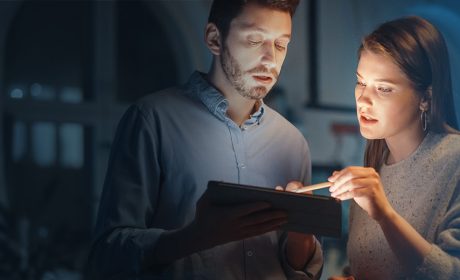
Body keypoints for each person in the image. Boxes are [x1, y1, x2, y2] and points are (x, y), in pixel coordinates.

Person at [87, 0, 323, 279]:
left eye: (280, 45)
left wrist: (302, 238)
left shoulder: (292, 143)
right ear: (214, 38)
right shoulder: (151, 121)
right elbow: (107, 255)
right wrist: (196, 237)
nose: (270, 59)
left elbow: (298, 268)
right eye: (255, 40)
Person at [324, 16, 460, 279]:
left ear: (425, 98)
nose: (363, 100)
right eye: (361, 82)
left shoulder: (454, 161)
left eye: (384, 89)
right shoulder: (372, 170)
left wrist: (385, 215)